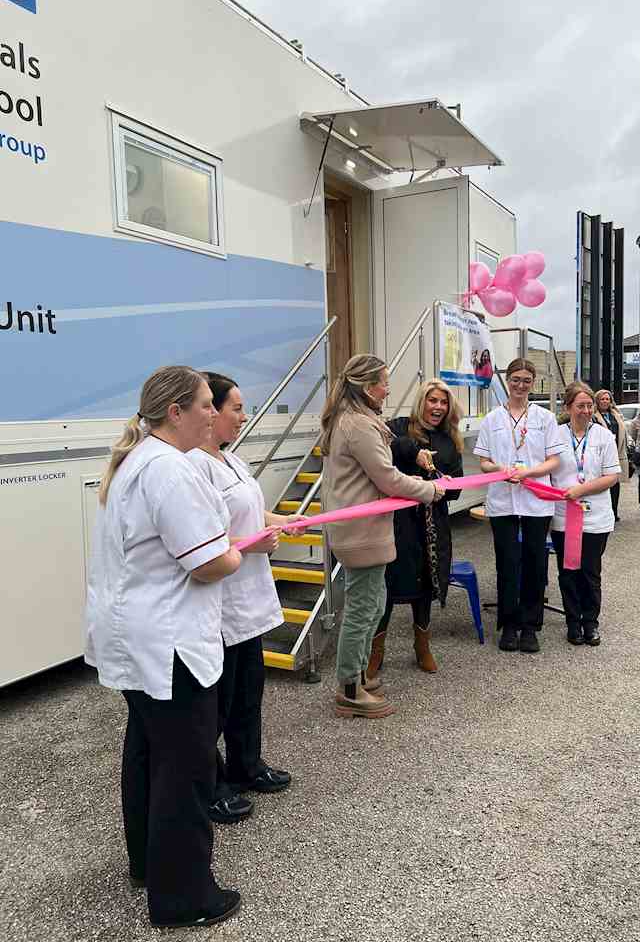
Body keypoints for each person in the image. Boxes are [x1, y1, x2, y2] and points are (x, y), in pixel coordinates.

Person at [85, 366, 243, 930]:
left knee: (148, 753)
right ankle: (185, 897)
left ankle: (150, 865)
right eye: (205, 404)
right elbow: (206, 563)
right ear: (175, 412)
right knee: (186, 767)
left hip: (138, 639)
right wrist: (236, 553)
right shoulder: (172, 471)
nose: (213, 413)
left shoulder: (135, 463)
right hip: (170, 644)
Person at [187, 372, 303, 826]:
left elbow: (251, 512)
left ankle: (247, 766)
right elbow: (200, 537)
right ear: (209, 411)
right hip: (221, 600)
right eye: (235, 407)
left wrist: (286, 520)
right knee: (216, 703)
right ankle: (213, 785)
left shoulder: (232, 460)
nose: (242, 415)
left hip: (251, 597)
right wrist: (251, 543)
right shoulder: (195, 467)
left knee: (248, 694)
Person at [320, 354, 442, 718]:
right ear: (366, 386)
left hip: (365, 530)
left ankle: (358, 676)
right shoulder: (357, 424)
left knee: (373, 603)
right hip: (361, 533)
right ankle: (349, 689)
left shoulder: (356, 420)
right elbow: (387, 478)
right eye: (384, 382)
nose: (388, 389)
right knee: (362, 609)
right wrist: (429, 489)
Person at [366, 379, 464, 677]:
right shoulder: (397, 427)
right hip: (399, 523)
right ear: (421, 402)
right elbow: (383, 449)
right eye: (432, 400)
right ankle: (376, 652)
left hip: (433, 524)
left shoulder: (450, 439)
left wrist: (439, 478)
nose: (438, 407)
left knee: (426, 584)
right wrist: (413, 453)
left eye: (443, 402)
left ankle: (422, 646)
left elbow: (457, 486)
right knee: (389, 582)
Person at [474, 358, 565, 653]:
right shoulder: (492, 418)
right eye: (515, 379)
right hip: (503, 501)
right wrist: (500, 471)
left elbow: (554, 460)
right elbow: (484, 461)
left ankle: (530, 626)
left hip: (537, 501)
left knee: (536, 565)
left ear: (532, 383)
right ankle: (509, 625)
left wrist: (527, 473)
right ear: (507, 380)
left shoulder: (544, 417)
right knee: (507, 564)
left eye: (526, 380)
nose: (520, 385)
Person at [550, 382, 621, 646]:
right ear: (568, 407)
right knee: (568, 570)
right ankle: (573, 623)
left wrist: (580, 489)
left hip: (595, 517)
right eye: (581, 406)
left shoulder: (603, 436)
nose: (586, 410)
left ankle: (590, 622)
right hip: (563, 515)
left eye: (590, 405)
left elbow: (612, 476)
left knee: (590, 572)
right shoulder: (555, 435)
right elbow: (546, 471)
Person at [593, 390, 628, 521]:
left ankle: (614, 511)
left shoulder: (616, 415)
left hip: (617, 453)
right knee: (603, 484)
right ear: (597, 401)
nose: (605, 401)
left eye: (607, 399)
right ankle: (604, 512)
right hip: (601, 454)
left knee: (615, 484)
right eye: (602, 399)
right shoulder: (594, 416)